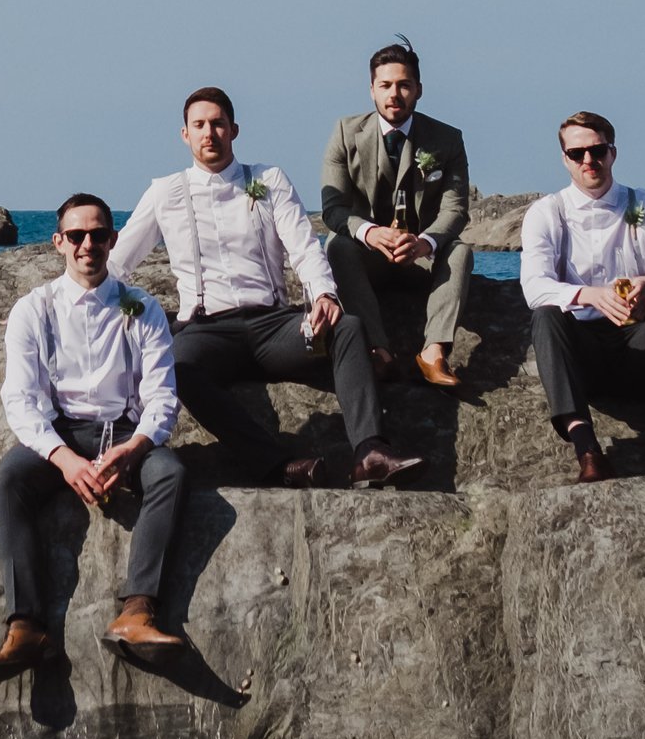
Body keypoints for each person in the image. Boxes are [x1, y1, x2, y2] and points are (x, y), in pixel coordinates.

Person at [113, 88, 424, 489]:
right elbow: (118, 263)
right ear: (185, 135)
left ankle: (370, 454)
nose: (210, 133)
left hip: (274, 327)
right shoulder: (164, 192)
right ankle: (277, 465)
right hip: (207, 331)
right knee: (177, 365)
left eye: (219, 124)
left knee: (347, 328)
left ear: (234, 130)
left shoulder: (267, 179)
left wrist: (324, 295)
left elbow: (304, 245)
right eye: (200, 125)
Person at [0, 194, 190, 681]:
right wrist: (65, 460)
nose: (87, 244)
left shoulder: (143, 308)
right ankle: (27, 626)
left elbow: (162, 398)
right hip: (62, 433)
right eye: (76, 236)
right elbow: (20, 399)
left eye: (98, 235)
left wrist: (135, 447)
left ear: (113, 240)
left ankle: (137, 611)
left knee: (172, 474)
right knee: (12, 476)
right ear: (59, 243)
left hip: (127, 436)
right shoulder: (34, 309)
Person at [520, 113, 645, 481]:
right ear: (565, 159)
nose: (588, 162)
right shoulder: (547, 213)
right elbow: (534, 286)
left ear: (613, 152)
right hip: (584, 354)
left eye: (597, 151)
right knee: (545, 316)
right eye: (577, 154)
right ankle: (589, 453)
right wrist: (588, 295)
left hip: (641, 345)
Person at [321, 37, 475, 392]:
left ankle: (434, 352)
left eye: (404, 85)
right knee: (337, 245)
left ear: (418, 90)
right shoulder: (345, 133)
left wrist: (424, 243)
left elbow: (456, 210)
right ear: (371, 90)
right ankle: (379, 352)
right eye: (386, 85)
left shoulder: (447, 139)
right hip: (369, 259)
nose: (395, 94)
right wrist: (370, 234)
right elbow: (333, 208)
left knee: (461, 250)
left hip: (420, 260)